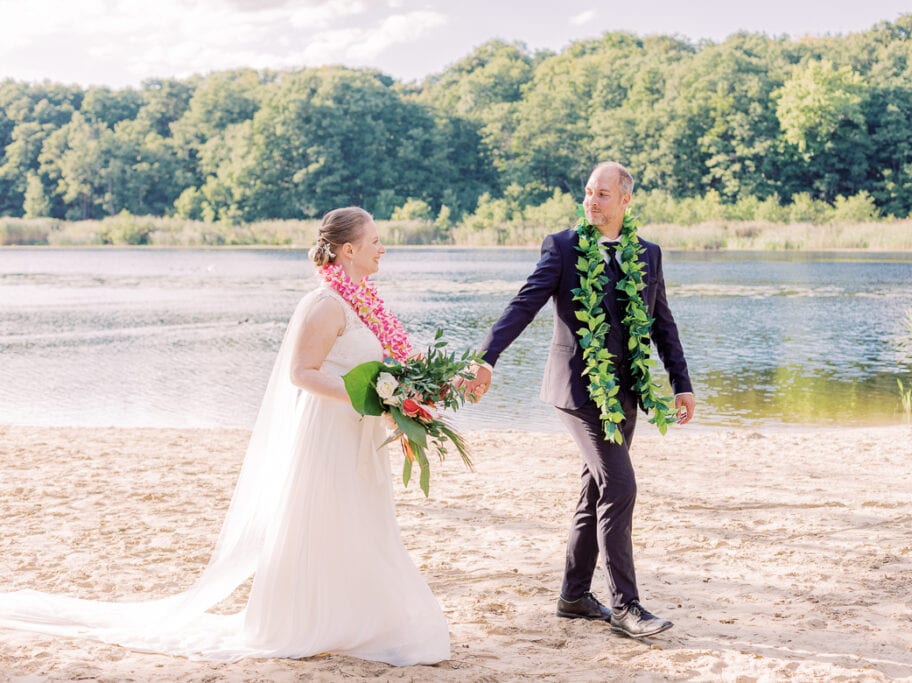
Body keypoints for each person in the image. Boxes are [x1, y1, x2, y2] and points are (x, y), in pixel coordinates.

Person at [0, 207, 450, 665]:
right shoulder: (325, 304)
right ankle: (319, 620)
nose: (383, 247)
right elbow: (302, 373)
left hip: (356, 432)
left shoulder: (364, 304)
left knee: (364, 519)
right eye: (375, 240)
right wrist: (372, 395)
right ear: (348, 249)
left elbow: (378, 365)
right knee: (331, 517)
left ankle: (363, 616)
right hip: (328, 432)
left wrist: (398, 396)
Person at [462, 162, 695, 639]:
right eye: (589, 192)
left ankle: (572, 596)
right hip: (576, 389)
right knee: (621, 486)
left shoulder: (647, 254)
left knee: (596, 488)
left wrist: (682, 382)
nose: (592, 201)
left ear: (625, 200)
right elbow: (523, 304)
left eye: (603, 194)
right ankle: (625, 606)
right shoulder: (564, 247)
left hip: (625, 393)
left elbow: (661, 323)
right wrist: (487, 357)